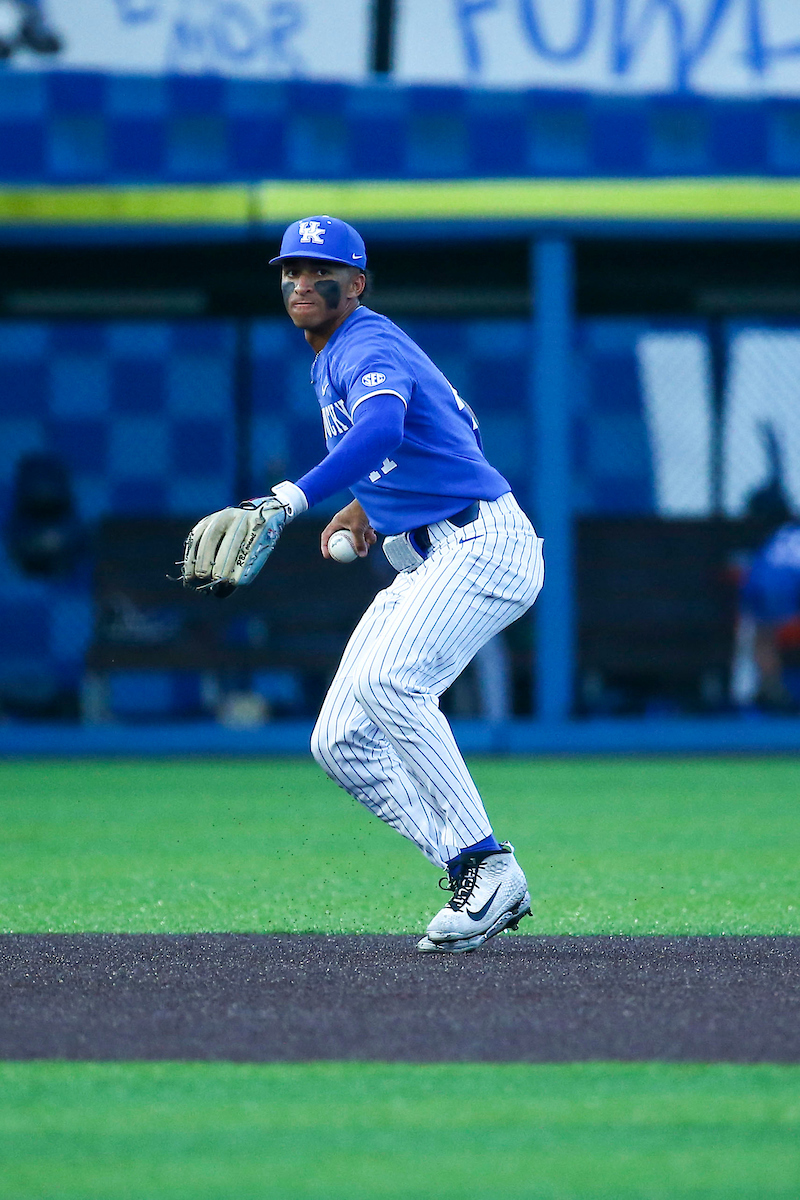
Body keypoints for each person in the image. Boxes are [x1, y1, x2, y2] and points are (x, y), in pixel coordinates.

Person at [183, 216, 545, 953]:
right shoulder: (341, 354)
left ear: (357, 283)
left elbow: (380, 432)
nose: (301, 282)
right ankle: (470, 869)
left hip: (481, 544)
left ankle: (486, 862)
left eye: (320, 270)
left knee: (391, 686)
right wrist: (371, 502)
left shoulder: (367, 342)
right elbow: (451, 431)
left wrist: (289, 498)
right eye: (289, 270)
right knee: (339, 741)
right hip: (436, 549)